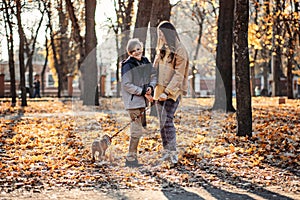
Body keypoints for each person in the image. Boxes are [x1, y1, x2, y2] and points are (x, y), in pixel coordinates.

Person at [153, 21, 189, 167]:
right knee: (162, 122)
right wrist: (150, 87)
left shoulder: (180, 50)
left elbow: (179, 75)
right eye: (158, 34)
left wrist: (167, 92)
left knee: (167, 120)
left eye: (161, 34)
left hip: (172, 91)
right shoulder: (161, 49)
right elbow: (155, 69)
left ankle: (173, 152)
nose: (160, 37)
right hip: (159, 90)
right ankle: (166, 152)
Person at [121, 38, 157, 167]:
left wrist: (150, 87)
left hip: (142, 102)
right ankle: (130, 159)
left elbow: (154, 75)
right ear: (129, 53)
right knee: (136, 130)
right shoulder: (127, 65)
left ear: (141, 48)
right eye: (133, 51)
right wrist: (142, 91)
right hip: (133, 102)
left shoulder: (146, 62)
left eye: (138, 49)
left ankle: (132, 157)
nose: (136, 52)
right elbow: (126, 84)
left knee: (138, 130)